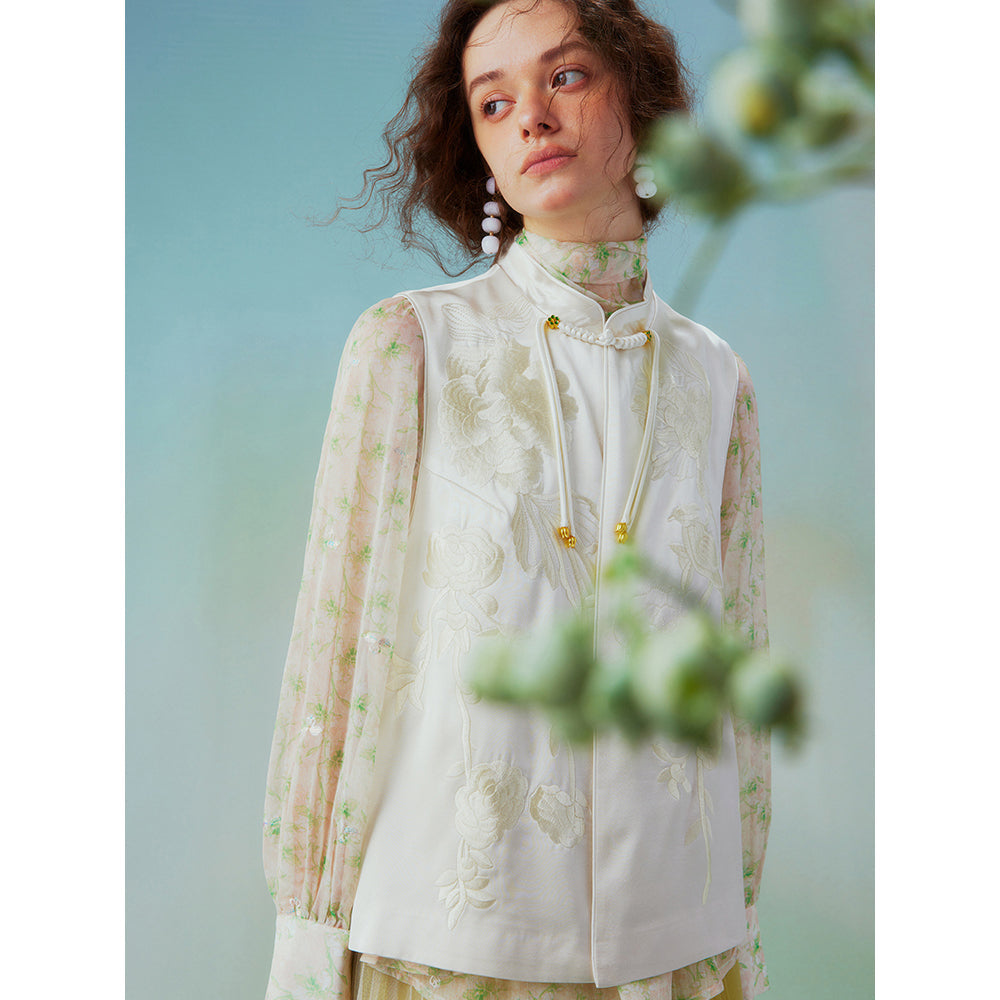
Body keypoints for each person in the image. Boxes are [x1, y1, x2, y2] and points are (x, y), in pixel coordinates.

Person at [262, 2, 770, 999]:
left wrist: (738, 918)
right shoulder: (410, 345)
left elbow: (736, 665)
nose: (530, 115)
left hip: (675, 944)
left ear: (640, 99)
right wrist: (310, 934)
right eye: (493, 102)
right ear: (478, 148)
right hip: (447, 946)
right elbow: (337, 649)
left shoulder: (719, 380)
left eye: (565, 76)